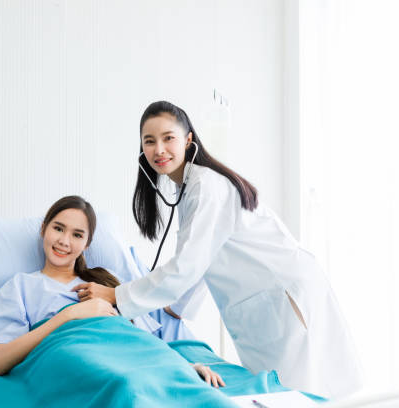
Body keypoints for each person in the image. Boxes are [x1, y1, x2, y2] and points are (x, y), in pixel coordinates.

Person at [73, 101, 362, 398]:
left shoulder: (207, 187)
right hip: (267, 301)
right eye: (149, 141)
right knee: (288, 394)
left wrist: (116, 295)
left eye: (168, 138)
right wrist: (176, 310)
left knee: (299, 395)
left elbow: (187, 266)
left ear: (188, 140)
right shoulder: (190, 188)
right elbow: (204, 259)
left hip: (283, 297)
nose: (159, 149)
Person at [0, 195, 224, 388]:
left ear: (87, 243)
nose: (64, 241)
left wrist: (185, 366)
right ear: (43, 229)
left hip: (130, 359)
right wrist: (70, 314)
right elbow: (0, 361)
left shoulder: (107, 285)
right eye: (58, 228)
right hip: (76, 359)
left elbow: (141, 342)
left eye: (77, 234)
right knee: (124, 385)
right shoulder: (20, 286)